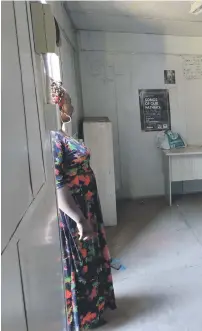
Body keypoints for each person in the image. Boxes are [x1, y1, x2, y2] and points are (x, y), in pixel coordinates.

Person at [50, 81, 116, 330]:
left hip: (88, 207)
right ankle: (85, 319)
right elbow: (58, 186)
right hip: (76, 213)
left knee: (93, 260)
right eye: (68, 100)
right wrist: (79, 219)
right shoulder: (54, 139)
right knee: (80, 265)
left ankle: (96, 311)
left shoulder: (63, 134)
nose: (72, 105)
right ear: (59, 104)